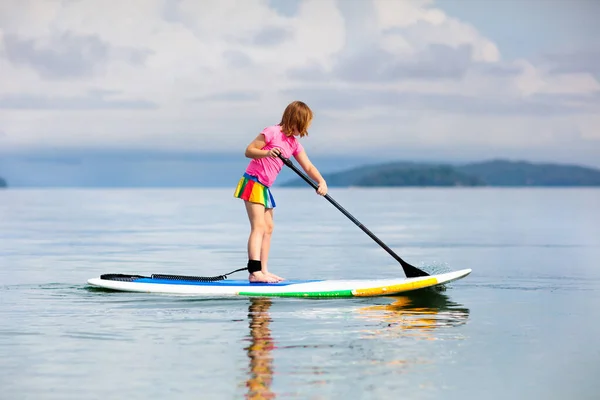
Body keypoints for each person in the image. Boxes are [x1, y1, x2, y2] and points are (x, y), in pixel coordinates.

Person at [233, 101, 328, 283]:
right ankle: (254, 272)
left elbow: (307, 166)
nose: (305, 128)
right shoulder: (271, 132)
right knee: (259, 226)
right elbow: (249, 151)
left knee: (269, 228)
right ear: (296, 120)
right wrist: (267, 153)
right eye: (304, 124)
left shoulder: (293, 143)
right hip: (253, 182)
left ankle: (264, 270)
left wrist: (321, 181)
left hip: (265, 187)